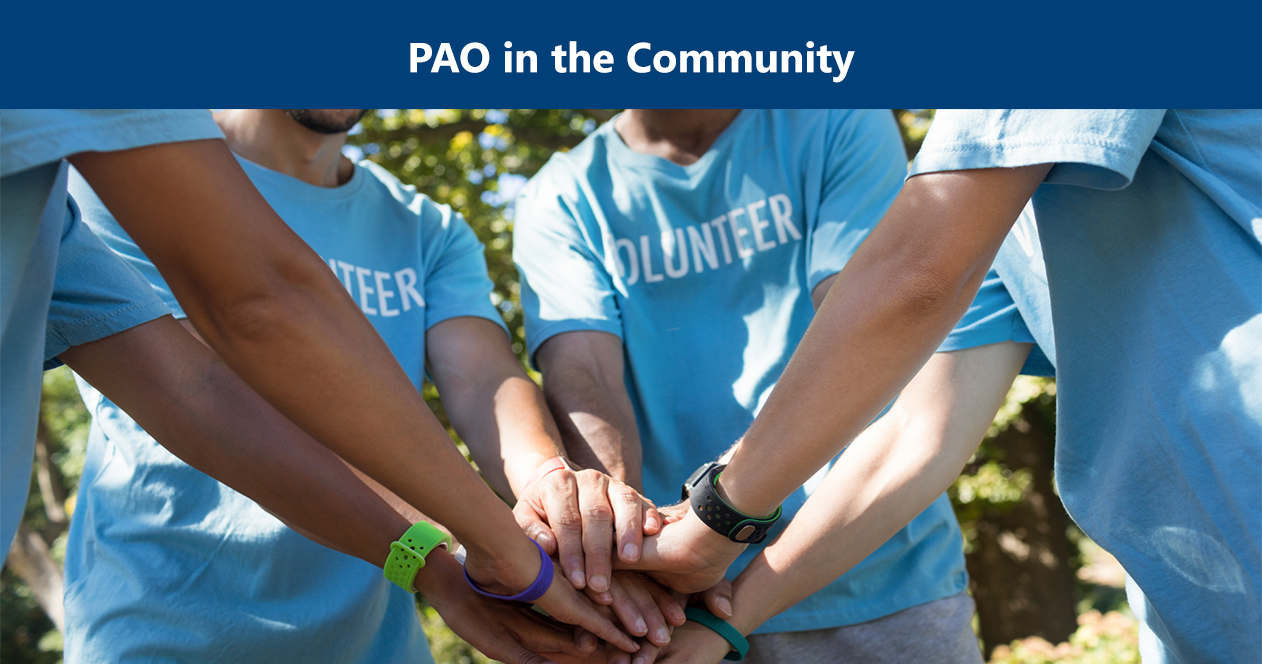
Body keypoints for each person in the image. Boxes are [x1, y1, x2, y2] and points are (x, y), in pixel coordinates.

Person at [1, 109, 636, 657]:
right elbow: (221, 364)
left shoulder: (427, 228)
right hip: (162, 635)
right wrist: (484, 550)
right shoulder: (113, 169)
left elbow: (486, 381)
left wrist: (551, 496)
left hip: (379, 642)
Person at [638, 109, 1262, 663]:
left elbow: (916, 276)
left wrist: (713, 521)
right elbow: (918, 434)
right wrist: (728, 622)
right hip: (1204, 616)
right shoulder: (996, 176)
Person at [513, 109, 1011, 663]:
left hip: (873, 567)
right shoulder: (561, 195)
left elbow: (869, 320)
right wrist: (621, 538)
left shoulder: (837, 119)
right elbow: (583, 375)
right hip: (672, 598)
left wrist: (701, 530)